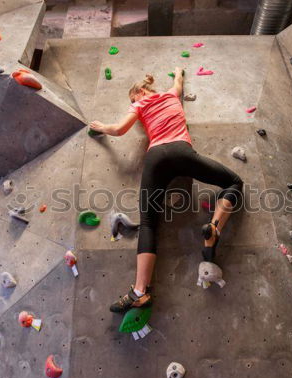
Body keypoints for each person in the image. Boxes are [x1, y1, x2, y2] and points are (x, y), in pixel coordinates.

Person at [89, 68, 243, 313]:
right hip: (183, 151)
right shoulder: (172, 95)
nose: (133, 103)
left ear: (140, 92)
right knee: (234, 182)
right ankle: (214, 228)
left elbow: (119, 130)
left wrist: (101, 126)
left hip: (157, 155)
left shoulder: (140, 105)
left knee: (149, 222)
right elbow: (179, 81)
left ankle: (139, 292)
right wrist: (177, 72)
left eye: (132, 98)